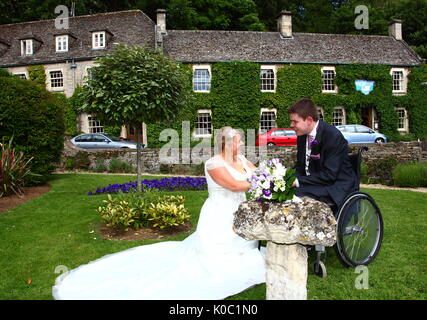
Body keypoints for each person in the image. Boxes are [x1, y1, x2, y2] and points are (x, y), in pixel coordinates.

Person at [52, 126, 266, 300]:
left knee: (242, 244)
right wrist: (263, 182)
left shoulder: (241, 160)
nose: (241, 144)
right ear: (226, 143)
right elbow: (235, 186)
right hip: (220, 212)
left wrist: (268, 177)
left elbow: (258, 173)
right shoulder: (214, 164)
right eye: (238, 141)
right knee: (215, 253)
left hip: (242, 211)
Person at [288, 98, 358, 207]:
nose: (291, 125)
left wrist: (297, 181)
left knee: (294, 194)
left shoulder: (332, 136)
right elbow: (300, 167)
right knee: (284, 191)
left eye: (295, 121)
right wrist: (286, 179)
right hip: (315, 184)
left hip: (335, 186)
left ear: (309, 120)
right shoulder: (302, 136)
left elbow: (329, 175)